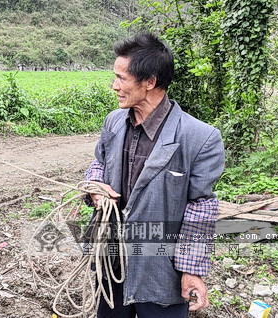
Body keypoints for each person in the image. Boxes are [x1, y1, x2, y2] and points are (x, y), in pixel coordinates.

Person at [84, 33, 225, 317]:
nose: (115, 86)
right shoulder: (114, 121)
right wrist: (95, 186)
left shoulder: (200, 138)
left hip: (161, 270)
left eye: (121, 78)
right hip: (113, 261)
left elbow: (201, 207)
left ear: (149, 82)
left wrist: (190, 270)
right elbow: (99, 163)